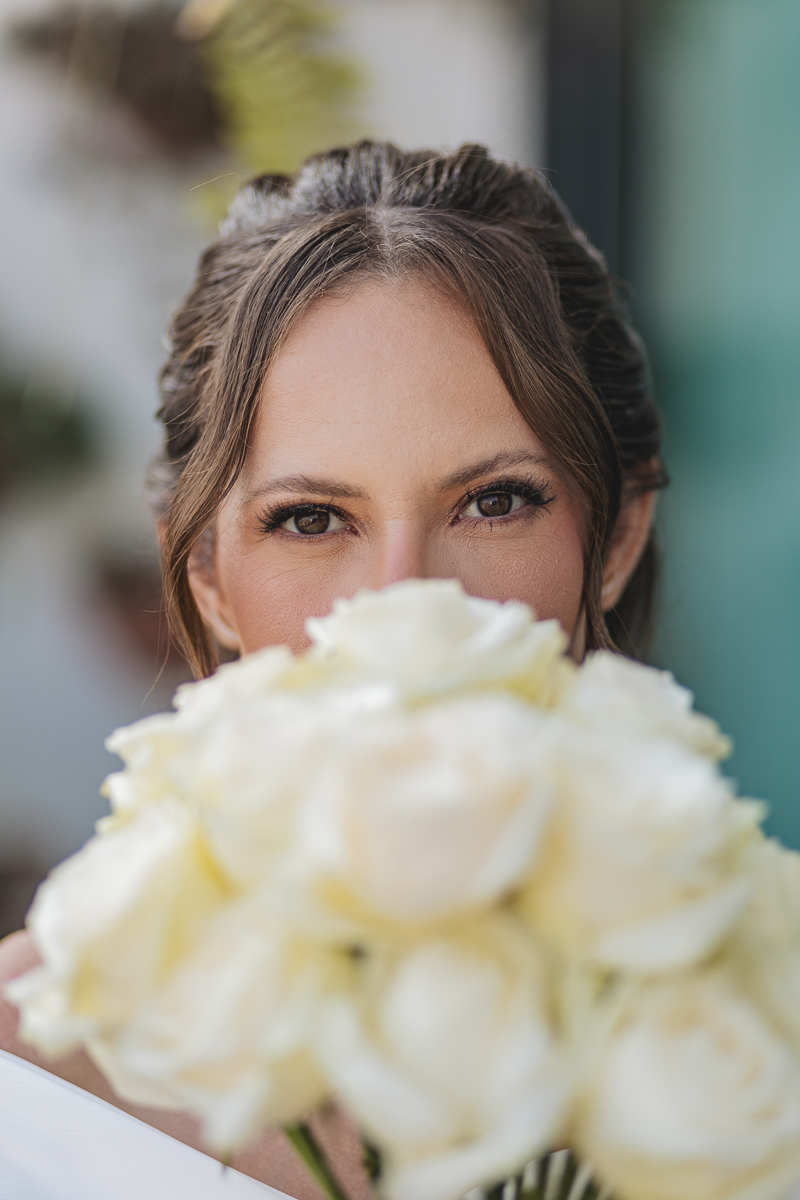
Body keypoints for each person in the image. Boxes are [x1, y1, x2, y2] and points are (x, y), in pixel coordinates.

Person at [0, 141, 666, 1198]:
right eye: (311, 519)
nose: (402, 602)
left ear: (617, 539)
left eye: (493, 501)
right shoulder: (24, 1072)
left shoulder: (754, 1025)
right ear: (206, 577)